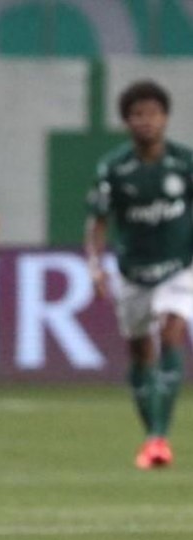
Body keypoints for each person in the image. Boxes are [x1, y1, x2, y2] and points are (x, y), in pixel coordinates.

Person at [85, 80, 193, 470]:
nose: (145, 121)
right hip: (133, 271)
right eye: (137, 115)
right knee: (140, 351)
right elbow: (97, 220)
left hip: (180, 267)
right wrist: (95, 266)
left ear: (165, 118)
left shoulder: (185, 162)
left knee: (171, 330)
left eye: (152, 114)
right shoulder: (114, 168)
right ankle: (154, 435)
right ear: (127, 122)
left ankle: (157, 437)